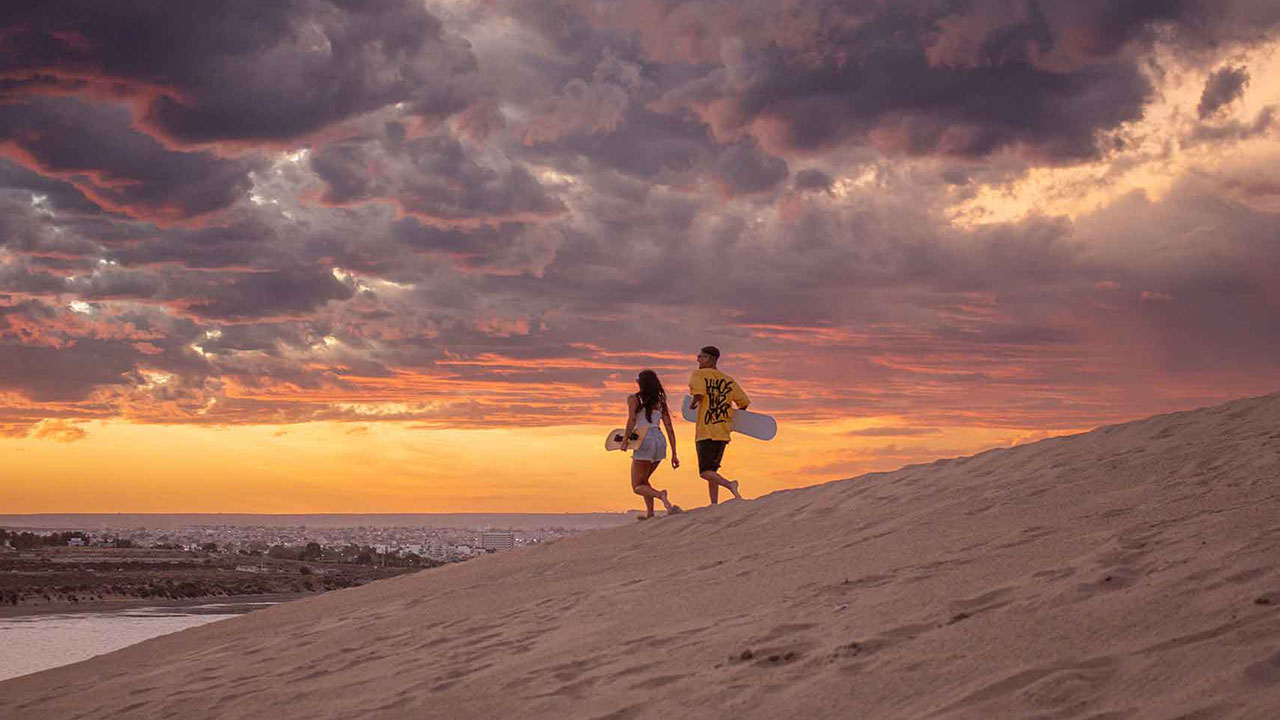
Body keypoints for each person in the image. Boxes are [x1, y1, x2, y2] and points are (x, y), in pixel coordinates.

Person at [688, 345, 749, 504]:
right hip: (723, 431)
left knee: (705, 472)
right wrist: (731, 419)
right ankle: (714, 503)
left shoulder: (698, 374)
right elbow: (743, 402)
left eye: (700, 356)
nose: (697, 359)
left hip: (706, 430)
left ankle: (730, 485)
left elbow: (699, 393)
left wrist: (693, 403)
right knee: (712, 470)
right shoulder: (728, 379)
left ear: (708, 359)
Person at [620, 369, 682, 518]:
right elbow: (669, 427)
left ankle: (661, 494)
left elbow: (632, 420)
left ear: (641, 383)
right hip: (660, 440)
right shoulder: (660, 402)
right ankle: (650, 514)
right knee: (644, 480)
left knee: (637, 486)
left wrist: (625, 440)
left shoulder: (633, 399)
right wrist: (674, 453)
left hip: (644, 439)